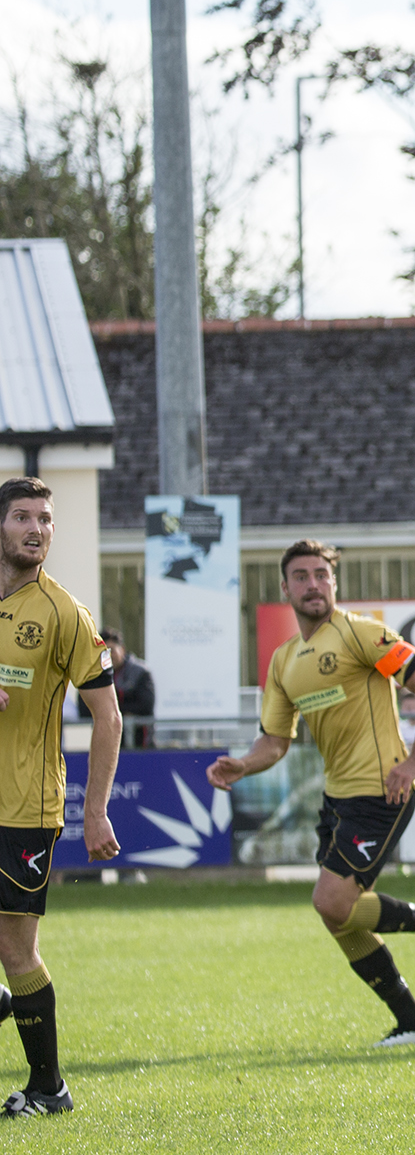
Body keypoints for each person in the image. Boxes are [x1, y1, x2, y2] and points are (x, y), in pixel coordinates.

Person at [208, 540, 415, 1048]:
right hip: (337, 800)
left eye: (321, 575)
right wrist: (244, 764)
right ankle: (414, 1023)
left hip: (381, 792)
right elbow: (275, 741)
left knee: (331, 901)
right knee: (339, 918)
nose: (313, 585)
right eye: (301, 576)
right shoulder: (284, 661)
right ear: (284, 588)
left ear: (334, 583)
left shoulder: (362, 634)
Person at [0, 477, 121, 1117]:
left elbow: (109, 714)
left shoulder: (64, 613)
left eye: (45, 519)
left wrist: (95, 808)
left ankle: (49, 1088)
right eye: (22, 516)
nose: (36, 528)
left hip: (22, 807)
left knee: (17, 950)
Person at [77, 628, 153, 746]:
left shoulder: (140, 673)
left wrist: (106, 710)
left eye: (111, 650)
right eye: (103, 652)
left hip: (139, 746)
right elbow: (84, 710)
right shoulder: (93, 675)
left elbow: (145, 706)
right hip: (106, 744)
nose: (108, 656)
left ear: (122, 649)